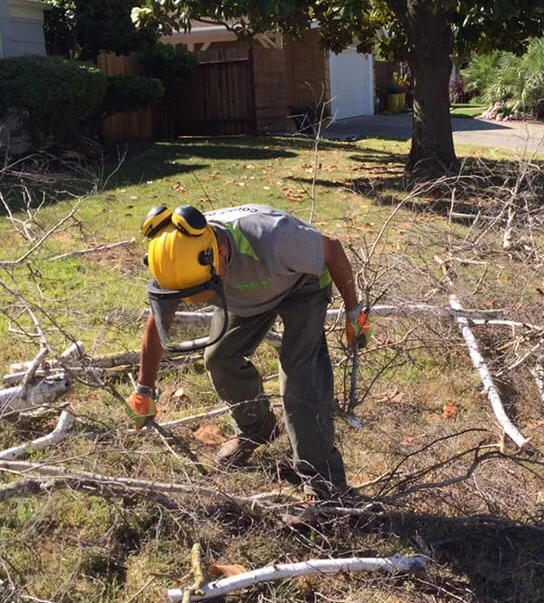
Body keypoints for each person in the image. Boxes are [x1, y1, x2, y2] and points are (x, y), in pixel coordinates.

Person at [124, 203, 372, 497]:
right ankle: (257, 428)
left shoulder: (272, 237)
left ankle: (322, 481)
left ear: (221, 253)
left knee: (300, 375)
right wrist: (144, 389)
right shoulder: (176, 261)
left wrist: (354, 311)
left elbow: (331, 249)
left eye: (202, 292)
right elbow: (157, 324)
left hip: (300, 285)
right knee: (219, 359)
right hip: (243, 297)